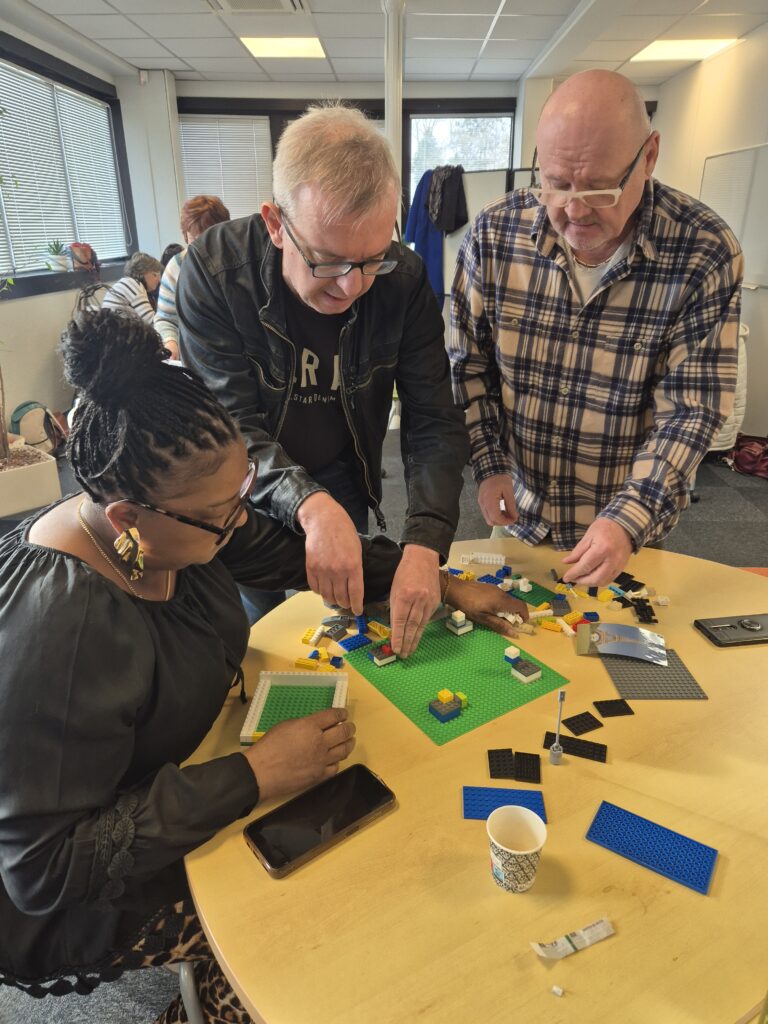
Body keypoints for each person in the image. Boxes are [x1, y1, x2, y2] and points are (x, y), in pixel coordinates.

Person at [0, 311, 527, 1023]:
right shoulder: (64, 631)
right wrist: (255, 775)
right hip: (75, 891)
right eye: (223, 514)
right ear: (128, 519)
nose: (238, 521)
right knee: (309, 914)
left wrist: (430, 579)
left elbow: (295, 558)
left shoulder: (169, 520)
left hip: (170, 778)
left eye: (242, 492)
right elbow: (45, 869)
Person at [177, 103, 470, 630]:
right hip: (241, 484)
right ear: (275, 224)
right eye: (328, 261)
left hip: (342, 467)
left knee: (342, 615)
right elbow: (231, 427)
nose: (352, 286)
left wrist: (425, 544)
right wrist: (307, 504)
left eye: (372, 259)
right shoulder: (216, 272)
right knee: (261, 621)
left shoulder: (402, 278)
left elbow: (432, 420)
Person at [450, 70, 743, 587]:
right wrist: (488, 460)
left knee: (624, 661)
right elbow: (467, 364)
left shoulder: (704, 250)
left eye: (600, 188)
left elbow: (692, 408)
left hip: (631, 528)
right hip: (522, 515)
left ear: (648, 157)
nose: (574, 210)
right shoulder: (495, 235)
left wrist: (627, 519)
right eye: (557, 184)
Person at [155, 196, 231, 360]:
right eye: (195, 240)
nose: (203, 248)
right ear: (186, 236)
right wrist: (171, 343)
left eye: (210, 238)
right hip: (194, 358)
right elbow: (166, 318)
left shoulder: (236, 262)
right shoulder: (177, 267)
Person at [101, 251, 163, 323]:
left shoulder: (127, 282)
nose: (158, 280)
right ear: (142, 272)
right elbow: (152, 322)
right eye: (155, 274)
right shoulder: (134, 285)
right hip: (116, 331)